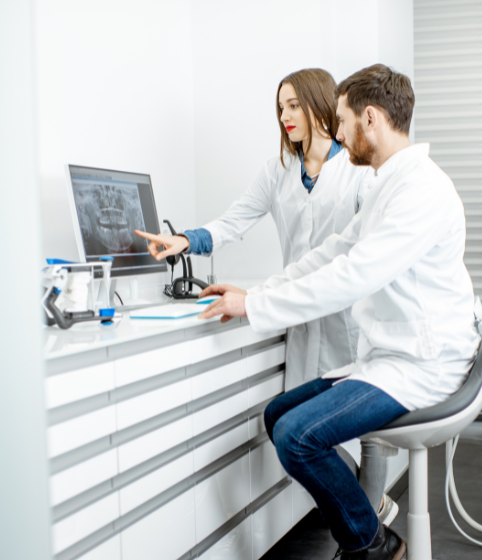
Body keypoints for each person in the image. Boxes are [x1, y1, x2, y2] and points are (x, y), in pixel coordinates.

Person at [198, 64, 481, 560]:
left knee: (296, 437)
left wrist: (256, 306)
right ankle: (369, 525)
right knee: (277, 413)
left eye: (344, 121)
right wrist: (257, 293)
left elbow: (353, 275)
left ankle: (369, 545)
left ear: (370, 119)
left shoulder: (420, 191)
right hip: (392, 356)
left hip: (423, 365)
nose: (340, 132)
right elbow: (332, 253)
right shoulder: (388, 184)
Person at [134, 68, 400, 526]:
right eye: (280, 107)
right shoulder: (279, 171)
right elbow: (233, 221)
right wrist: (185, 241)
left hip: (350, 315)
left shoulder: (357, 171)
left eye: (294, 105)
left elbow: (359, 252)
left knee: (366, 430)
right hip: (299, 313)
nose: (285, 116)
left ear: (320, 105)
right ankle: (368, 513)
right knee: (302, 428)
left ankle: (368, 520)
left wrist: (259, 296)